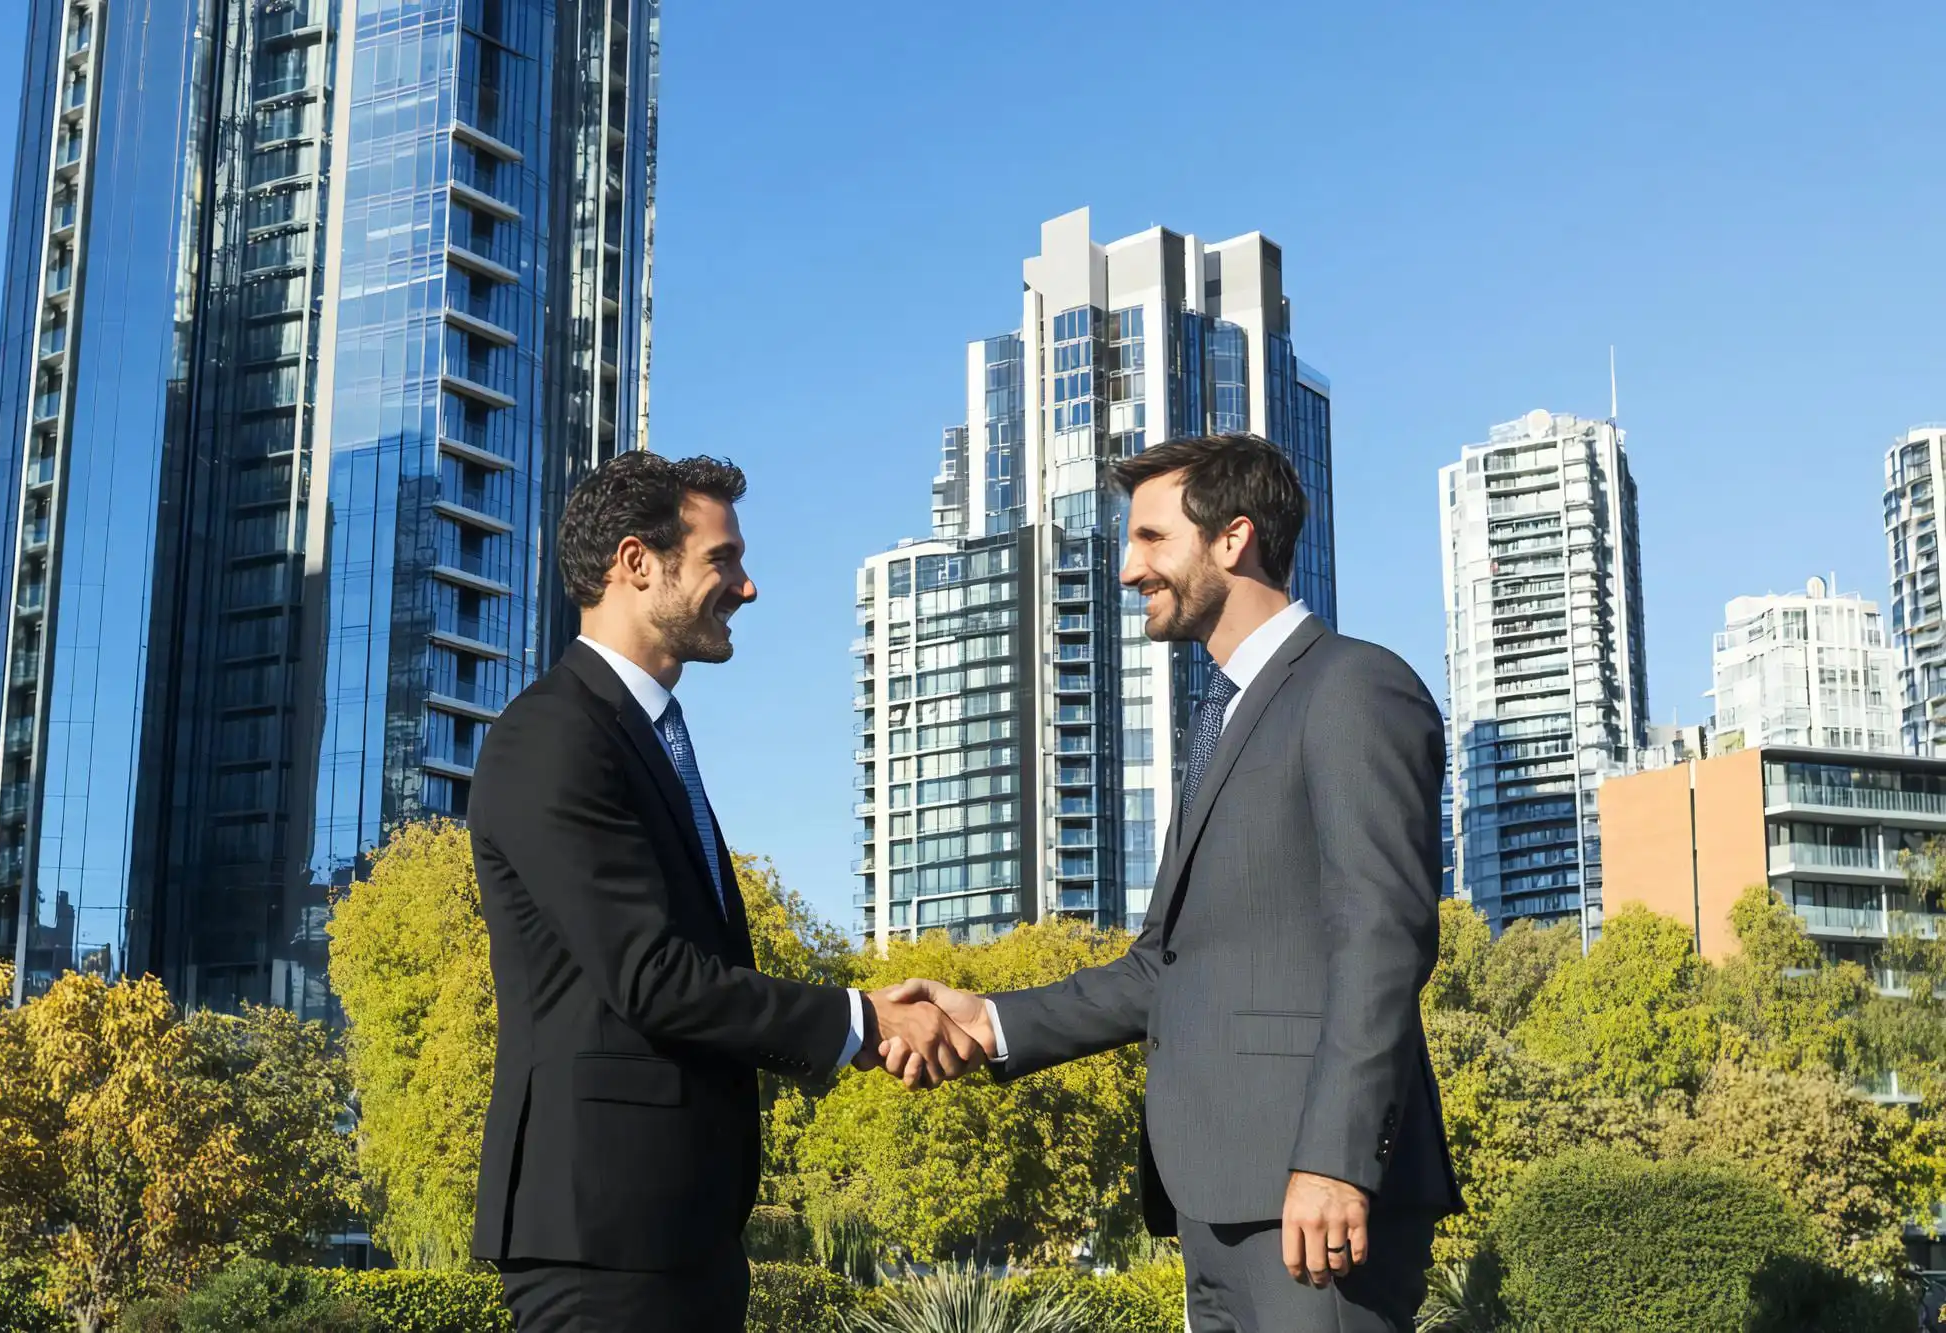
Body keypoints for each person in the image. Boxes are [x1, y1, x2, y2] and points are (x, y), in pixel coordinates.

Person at [885, 433, 1462, 1332]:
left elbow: (1382, 936)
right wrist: (988, 1019)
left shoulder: (1353, 687)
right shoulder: (1218, 720)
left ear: (1233, 540)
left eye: (1152, 539)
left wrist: (1337, 1159)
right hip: (1216, 1201)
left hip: (1312, 1200)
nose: (1127, 569)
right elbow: (1164, 967)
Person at [467, 452, 982, 1332]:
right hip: (605, 1242)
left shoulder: (645, 734)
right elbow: (652, 975)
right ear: (638, 562)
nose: (747, 588)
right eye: (723, 560)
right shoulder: (552, 736)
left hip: (681, 1234)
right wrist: (861, 1022)